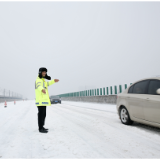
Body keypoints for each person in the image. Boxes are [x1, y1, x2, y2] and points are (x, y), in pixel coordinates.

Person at [35, 68, 59, 133]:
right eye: (43, 72)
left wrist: (53, 81)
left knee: (44, 114)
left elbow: (47, 84)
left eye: (45, 72)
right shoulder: (38, 80)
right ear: (40, 72)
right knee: (41, 114)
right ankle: (40, 128)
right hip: (40, 100)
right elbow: (38, 86)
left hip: (43, 101)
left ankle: (42, 126)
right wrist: (42, 89)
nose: (44, 73)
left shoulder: (43, 80)